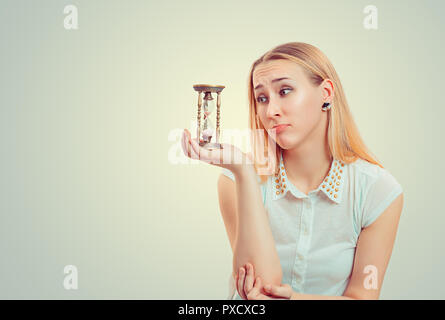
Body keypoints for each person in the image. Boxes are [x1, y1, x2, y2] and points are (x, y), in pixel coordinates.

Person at [181, 42, 404, 300]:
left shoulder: (377, 191)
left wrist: (294, 299)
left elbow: (363, 297)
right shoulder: (234, 181)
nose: (271, 111)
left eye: (285, 91)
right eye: (262, 98)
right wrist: (243, 171)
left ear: (326, 93)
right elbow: (257, 290)